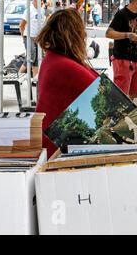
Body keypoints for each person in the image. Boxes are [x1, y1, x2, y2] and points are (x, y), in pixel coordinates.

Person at [35, 8, 100, 158]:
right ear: (74, 34)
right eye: (82, 31)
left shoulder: (55, 58)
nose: (85, 35)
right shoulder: (63, 65)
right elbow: (101, 90)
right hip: (57, 149)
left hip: (56, 142)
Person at [18, 0, 46, 80]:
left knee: (38, 58)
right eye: (40, 0)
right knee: (31, 56)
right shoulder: (29, 10)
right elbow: (21, 25)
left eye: (43, 0)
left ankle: (35, 79)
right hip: (29, 37)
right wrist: (24, 37)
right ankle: (18, 75)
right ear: (35, 0)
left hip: (38, 38)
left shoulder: (42, 10)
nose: (42, 2)